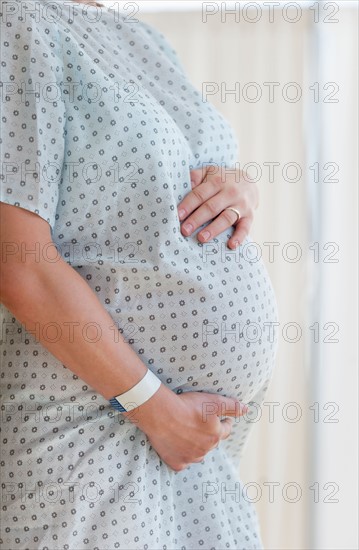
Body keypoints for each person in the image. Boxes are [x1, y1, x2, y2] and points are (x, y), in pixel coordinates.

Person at [0, 0, 279, 548]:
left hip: (197, 446)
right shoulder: (16, 24)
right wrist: (153, 407)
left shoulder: (144, 38)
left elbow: (173, 172)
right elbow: (18, 259)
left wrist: (239, 187)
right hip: (87, 427)